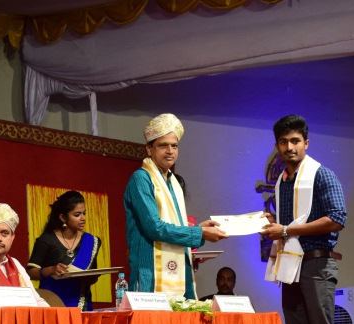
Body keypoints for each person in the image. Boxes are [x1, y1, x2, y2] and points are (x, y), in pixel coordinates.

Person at [261, 114, 348, 324]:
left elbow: (338, 218)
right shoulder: (283, 181)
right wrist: (272, 222)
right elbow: (290, 224)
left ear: (306, 143)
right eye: (284, 142)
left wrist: (285, 229)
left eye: (295, 141)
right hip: (291, 266)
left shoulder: (322, 174)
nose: (290, 147)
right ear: (277, 146)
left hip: (317, 264)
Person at [123, 113, 227, 299]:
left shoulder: (173, 182)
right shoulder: (141, 178)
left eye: (174, 145)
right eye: (163, 145)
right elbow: (154, 228)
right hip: (150, 273)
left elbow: (174, 226)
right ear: (149, 149)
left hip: (177, 270)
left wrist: (199, 229)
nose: (170, 151)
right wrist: (199, 233)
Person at [26, 190, 101, 310]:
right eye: (77, 215)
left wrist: (91, 277)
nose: (83, 218)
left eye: (84, 213)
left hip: (82, 304)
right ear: (63, 217)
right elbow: (30, 273)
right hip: (52, 302)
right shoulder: (47, 239)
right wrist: (51, 270)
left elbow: (92, 275)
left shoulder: (91, 241)